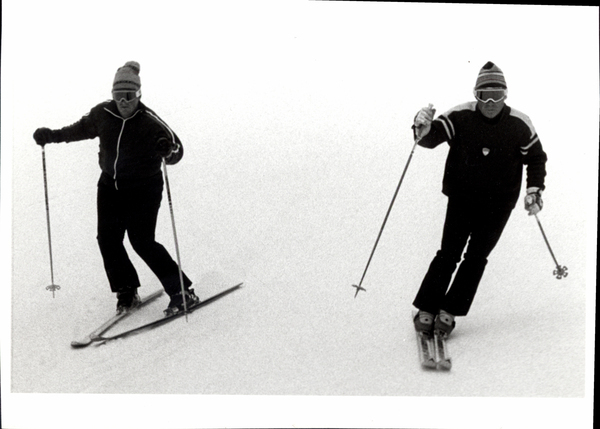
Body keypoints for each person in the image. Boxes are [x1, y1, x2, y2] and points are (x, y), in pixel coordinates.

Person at [33, 61, 199, 316]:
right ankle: (126, 290)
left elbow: (177, 150)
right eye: (118, 96)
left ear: (138, 95)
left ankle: (182, 292)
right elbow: (77, 130)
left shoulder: (149, 121)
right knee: (108, 239)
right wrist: (50, 135)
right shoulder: (103, 114)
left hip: (144, 189)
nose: (123, 102)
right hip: (110, 186)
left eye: (129, 96)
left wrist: (168, 149)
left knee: (142, 241)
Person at [411, 61, 547, 337]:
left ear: (506, 95)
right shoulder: (461, 116)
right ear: (476, 95)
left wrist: (534, 189)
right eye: (485, 95)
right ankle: (427, 307)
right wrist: (421, 128)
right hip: (462, 198)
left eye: (498, 94)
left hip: (499, 205)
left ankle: (448, 311)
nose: (492, 101)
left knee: (476, 258)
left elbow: (535, 158)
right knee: (448, 254)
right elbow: (429, 139)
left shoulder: (519, 124)